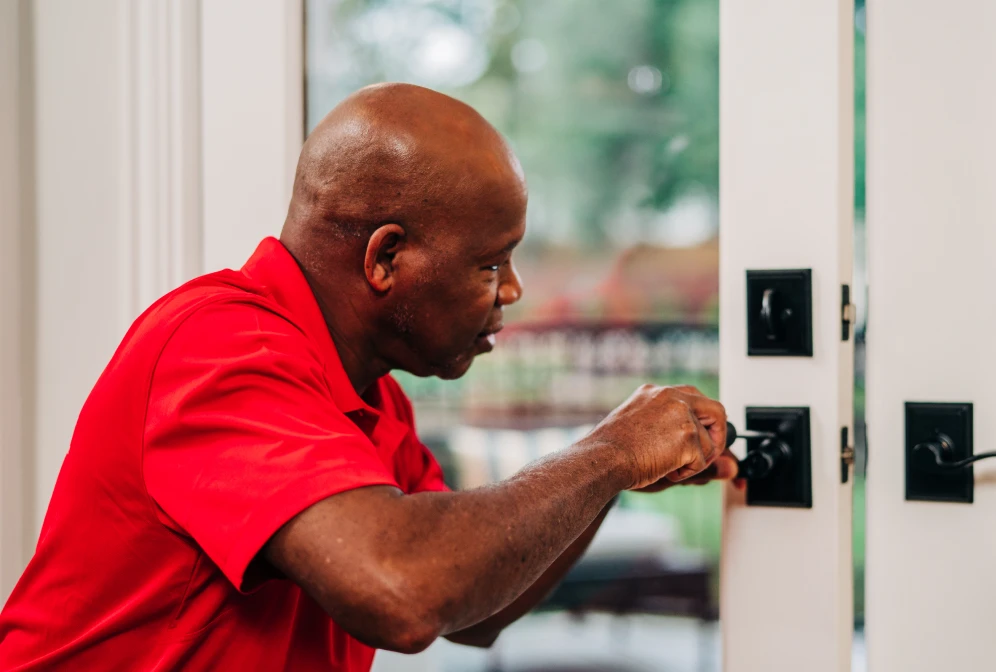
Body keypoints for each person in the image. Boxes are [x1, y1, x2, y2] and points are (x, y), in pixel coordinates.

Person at [0, 83, 737, 671]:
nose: (512, 290)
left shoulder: (367, 390)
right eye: (490, 263)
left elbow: (472, 612)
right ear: (386, 258)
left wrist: (611, 475)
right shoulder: (220, 349)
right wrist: (609, 453)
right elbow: (404, 591)